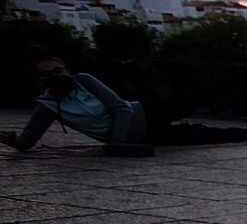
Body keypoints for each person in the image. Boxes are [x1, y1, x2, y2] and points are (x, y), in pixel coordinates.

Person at [4, 49, 152, 156]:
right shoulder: (48, 105)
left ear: (67, 71)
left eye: (58, 71)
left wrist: (115, 146)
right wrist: (10, 140)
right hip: (137, 137)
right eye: (45, 74)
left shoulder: (83, 81)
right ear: (39, 80)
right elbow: (27, 141)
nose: (54, 76)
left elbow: (121, 109)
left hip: (147, 116)